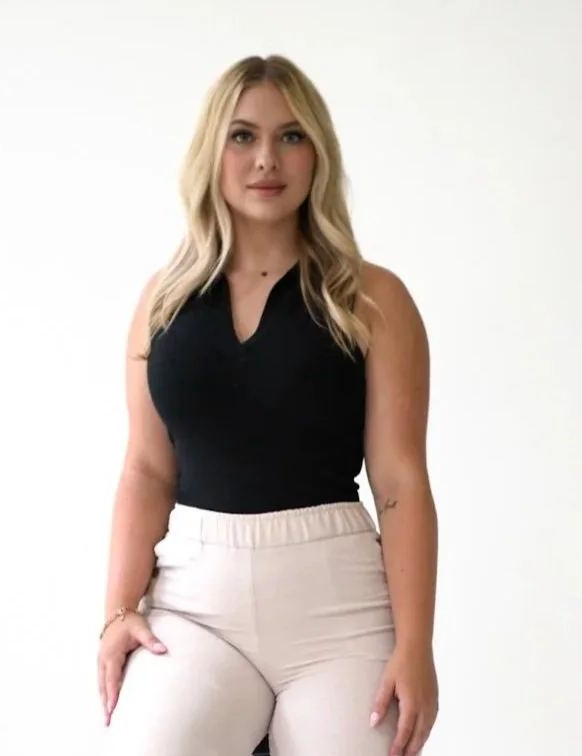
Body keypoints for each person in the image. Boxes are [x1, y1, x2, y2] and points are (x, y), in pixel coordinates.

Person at [97, 54, 439, 756]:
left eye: (291, 136)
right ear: (212, 153)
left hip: (338, 615)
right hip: (195, 609)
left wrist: (415, 648)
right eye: (242, 136)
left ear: (318, 153)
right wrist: (116, 613)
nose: (265, 159)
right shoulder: (163, 301)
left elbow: (400, 484)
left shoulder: (372, 298)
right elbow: (145, 471)